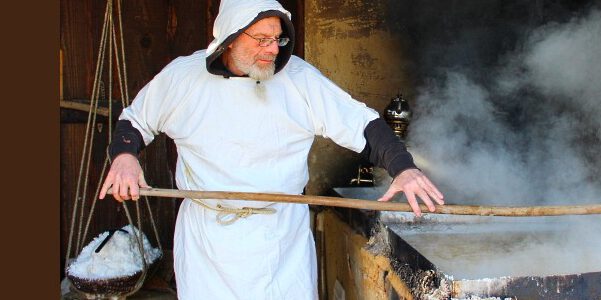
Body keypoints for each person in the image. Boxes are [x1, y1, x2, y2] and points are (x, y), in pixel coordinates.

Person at [96, 0, 444, 298]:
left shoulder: (299, 80)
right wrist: (125, 156)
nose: (273, 49)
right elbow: (135, 122)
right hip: (208, 240)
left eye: (278, 39)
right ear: (229, 40)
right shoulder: (183, 78)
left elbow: (360, 123)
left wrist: (403, 166)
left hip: (280, 237)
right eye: (261, 39)